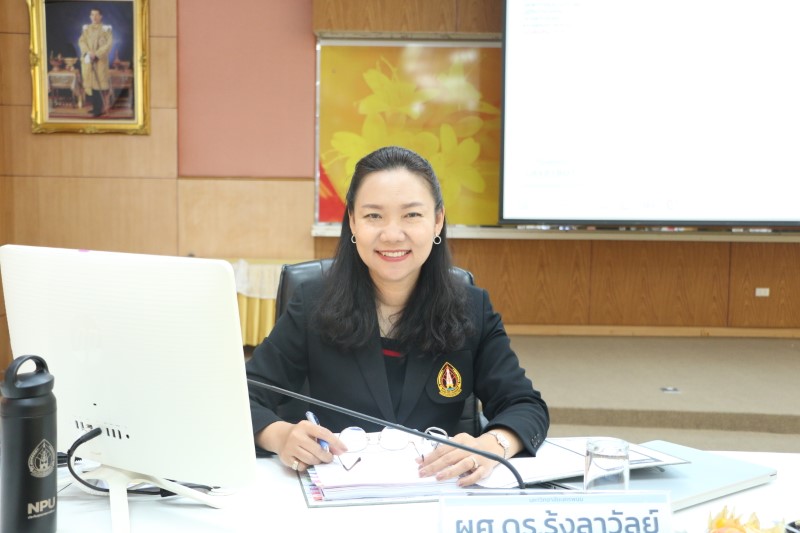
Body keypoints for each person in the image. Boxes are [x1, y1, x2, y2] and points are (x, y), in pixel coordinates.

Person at [246, 146, 549, 487]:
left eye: (411, 215)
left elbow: (526, 406)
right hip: (338, 495)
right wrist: (280, 435)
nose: (392, 234)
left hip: (439, 493)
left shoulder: (471, 307)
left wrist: (493, 445)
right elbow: (242, 396)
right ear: (353, 222)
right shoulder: (312, 303)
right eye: (374, 216)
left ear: (437, 221)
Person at [78, 7, 112, 117]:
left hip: (100, 61)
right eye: (92, 15)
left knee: (98, 84)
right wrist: (88, 52)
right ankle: (94, 107)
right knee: (91, 85)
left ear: (101, 16)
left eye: (97, 15)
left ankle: (99, 109)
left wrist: (96, 54)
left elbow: (109, 44)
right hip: (89, 60)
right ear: (90, 16)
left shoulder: (106, 30)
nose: (94, 17)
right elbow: (82, 41)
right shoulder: (86, 29)